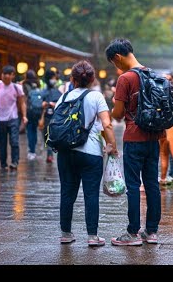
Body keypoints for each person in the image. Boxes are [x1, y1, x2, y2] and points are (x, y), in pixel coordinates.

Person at [54, 61, 118, 247]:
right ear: (92, 79)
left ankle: (66, 233)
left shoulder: (64, 97)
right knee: (91, 194)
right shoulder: (96, 96)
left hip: (66, 151)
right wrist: (112, 145)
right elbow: (107, 124)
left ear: (72, 79)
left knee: (67, 191)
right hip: (91, 152)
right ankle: (92, 236)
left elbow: (55, 122)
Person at [107, 38, 162, 246]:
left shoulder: (125, 79)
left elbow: (119, 115)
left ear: (117, 57)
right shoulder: (152, 74)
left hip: (134, 137)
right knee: (152, 184)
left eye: (114, 63)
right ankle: (152, 232)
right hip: (153, 137)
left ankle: (132, 233)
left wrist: (114, 106)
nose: (116, 66)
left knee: (133, 185)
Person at [0, 65, 27, 170]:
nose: (5, 76)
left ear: (13, 75)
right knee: (2, 142)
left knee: (14, 141)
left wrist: (24, 116)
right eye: (4, 74)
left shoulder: (17, 87)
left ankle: (14, 162)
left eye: (8, 74)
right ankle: (3, 164)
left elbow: (22, 103)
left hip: (13, 117)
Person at [38, 70, 63, 164]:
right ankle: (49, 153)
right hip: (45, 117)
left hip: (55, 117)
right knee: (46, 136)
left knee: (51, 135)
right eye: (52, 78)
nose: (54, 80)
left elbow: (62, 104)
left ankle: (50, 154)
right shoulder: (43, 92)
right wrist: (42, 104)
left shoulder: (57, 91)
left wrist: (55, 104)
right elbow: (38, 104)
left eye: (54, 78)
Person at [22, 69, 43, 161]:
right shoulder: (38, 84)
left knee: (30, 130)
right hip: (38, 110)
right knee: (34, 129)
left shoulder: (24, 85)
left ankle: (32, 151)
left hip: (29, 111)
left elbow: (24, 99)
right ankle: (34, 150)